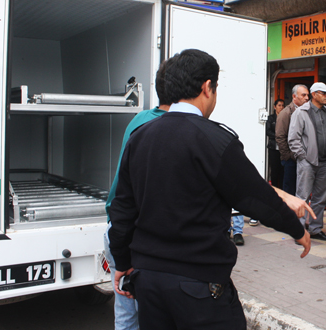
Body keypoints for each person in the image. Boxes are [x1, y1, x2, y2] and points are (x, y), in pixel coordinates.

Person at [108, 49, 314, 330]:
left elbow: (122, 208)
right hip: (198, 284)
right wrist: (297, 229)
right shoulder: (216, 140)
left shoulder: (140, 137)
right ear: (207, 87)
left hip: (148, 281)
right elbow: (255, 197)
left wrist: (122, 260)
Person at [103, 60, 175, 330]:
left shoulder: (140, 118)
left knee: (125, 310)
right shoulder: (170, 128)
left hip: (116, 225)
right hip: (138, 234)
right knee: (151, 312)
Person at [288, 82, 326, 241]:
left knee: (320, 198)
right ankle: (299, 231)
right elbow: (293, 138)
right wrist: (303, 156)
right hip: (307, 162)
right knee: (302, 197)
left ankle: (316, 229)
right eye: (324, 93)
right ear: (314, 94)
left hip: (325, 162)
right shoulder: (301, 112)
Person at [276, 85, 309, 195]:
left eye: (307, 95)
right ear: (294, 97)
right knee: (290, 189)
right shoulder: (286, 113)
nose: (307, 98)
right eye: (303, 95)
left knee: (302, 190)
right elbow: (280, 136)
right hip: (291, 159)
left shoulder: (307, 112)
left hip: (305, 158)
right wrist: (288, 156)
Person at [266, 99, 285, 190]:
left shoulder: (285, 118)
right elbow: (268, 131)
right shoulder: (271, 118)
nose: (281, 107)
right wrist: (278, 136)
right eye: (279, 105)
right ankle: (274, 189)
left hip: (282, 148)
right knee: (274, 169)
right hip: (273, 147)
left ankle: (281, 190)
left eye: (282, 105)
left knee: (282, 170)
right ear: (275, 107)